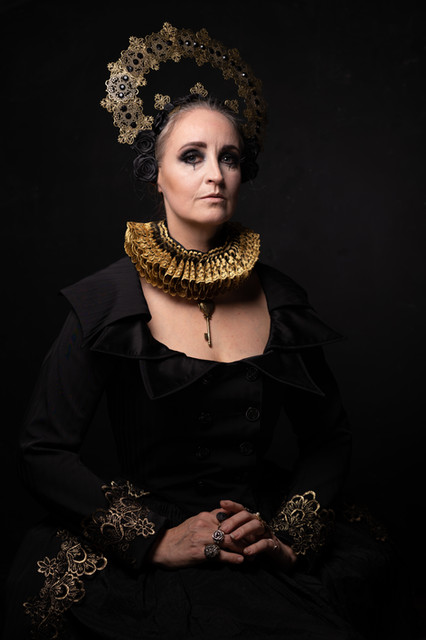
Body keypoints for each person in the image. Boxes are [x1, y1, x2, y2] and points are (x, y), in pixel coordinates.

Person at [3, 23, 410, 640]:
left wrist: (286, 536)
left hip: (253, 533)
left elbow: (328, 437)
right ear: (155, 173)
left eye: (230, 157)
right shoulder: (107, 301)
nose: (215, 174)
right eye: (192, 156)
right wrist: (153, 540)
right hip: (151, 547)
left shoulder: (281, 300)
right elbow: (42, 450)